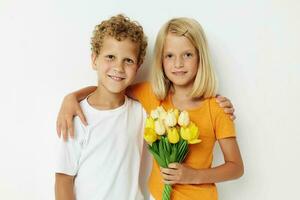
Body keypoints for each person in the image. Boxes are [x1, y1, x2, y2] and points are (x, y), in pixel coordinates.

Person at [56, 17, 242, 200]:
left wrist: (193, 175)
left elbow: (236, 167)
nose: (178, 64)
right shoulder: (153, 97)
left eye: (188, 55)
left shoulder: (215, 109)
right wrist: (72, 97)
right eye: (170, 55)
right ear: (161, 60)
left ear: (200, 57)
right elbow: (112, 88)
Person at [55, 14, 148, 200]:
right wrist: (71, 97)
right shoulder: (78, 116)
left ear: (138, 66)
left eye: (128, 60)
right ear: (94, 59)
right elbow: (63, 179)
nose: (119, 68)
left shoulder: (141, 112)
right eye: (110, 57)